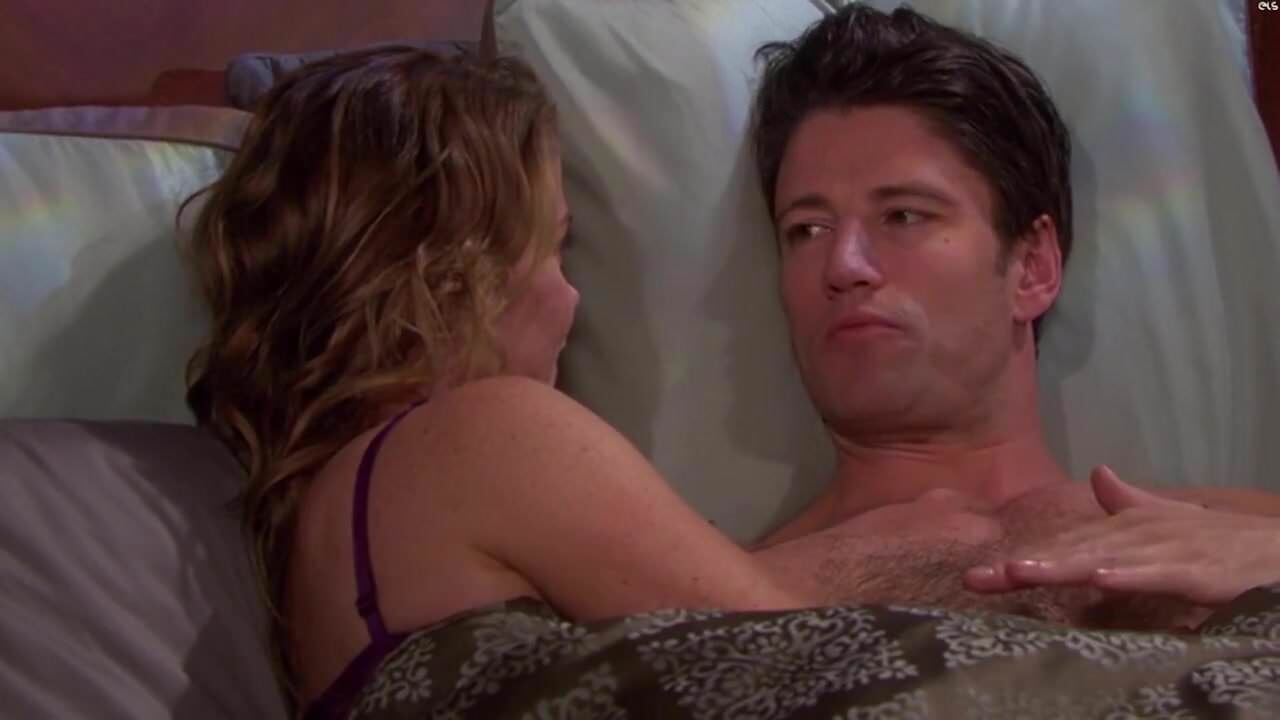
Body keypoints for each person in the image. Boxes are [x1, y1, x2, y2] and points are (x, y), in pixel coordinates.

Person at [181, 46, 889, 718]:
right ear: (455, 277)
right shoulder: (474, 437)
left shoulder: (326, 533)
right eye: (555, 247)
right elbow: (812, 658)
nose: (573, 298)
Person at [747, 3, 1280, 627]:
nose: (844, 264)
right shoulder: (718, 590)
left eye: (903, 215)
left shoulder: (1245, 533)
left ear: (1032, 268)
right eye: (806, 229)